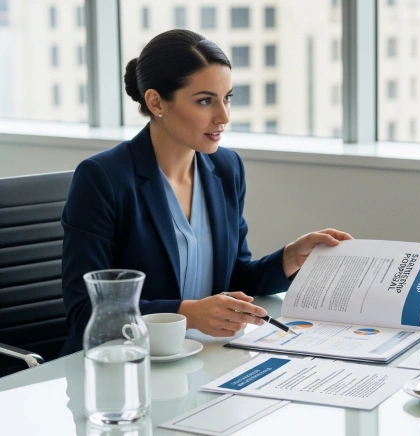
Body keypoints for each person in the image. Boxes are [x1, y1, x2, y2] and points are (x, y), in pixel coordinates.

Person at [60, 29, 352, 355]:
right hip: (125, 364)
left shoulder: (226, 169)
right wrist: (188, 313)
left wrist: (289, 258)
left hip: (201, 359)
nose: (224, 116)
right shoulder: (104, 178)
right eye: (204, 101)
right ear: (156, 102)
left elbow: (235, 278)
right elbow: (86, 310)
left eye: (226, 98)